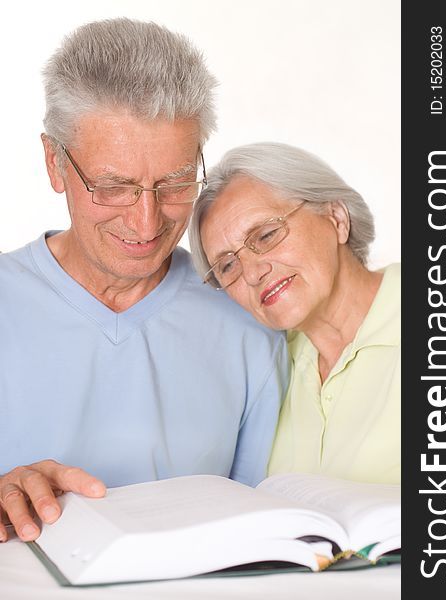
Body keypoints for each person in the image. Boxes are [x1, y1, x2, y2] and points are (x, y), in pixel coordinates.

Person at [0, 20, 289, 542]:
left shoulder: (250, 318)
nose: (147, 223)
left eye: (176, 183)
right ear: (54, 163)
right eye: (114, 187)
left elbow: (265, 535)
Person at [189, 142, 400, 485]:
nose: (253, 272)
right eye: (228, 266)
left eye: (266, 235)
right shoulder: (267, 370)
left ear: (336, 217)